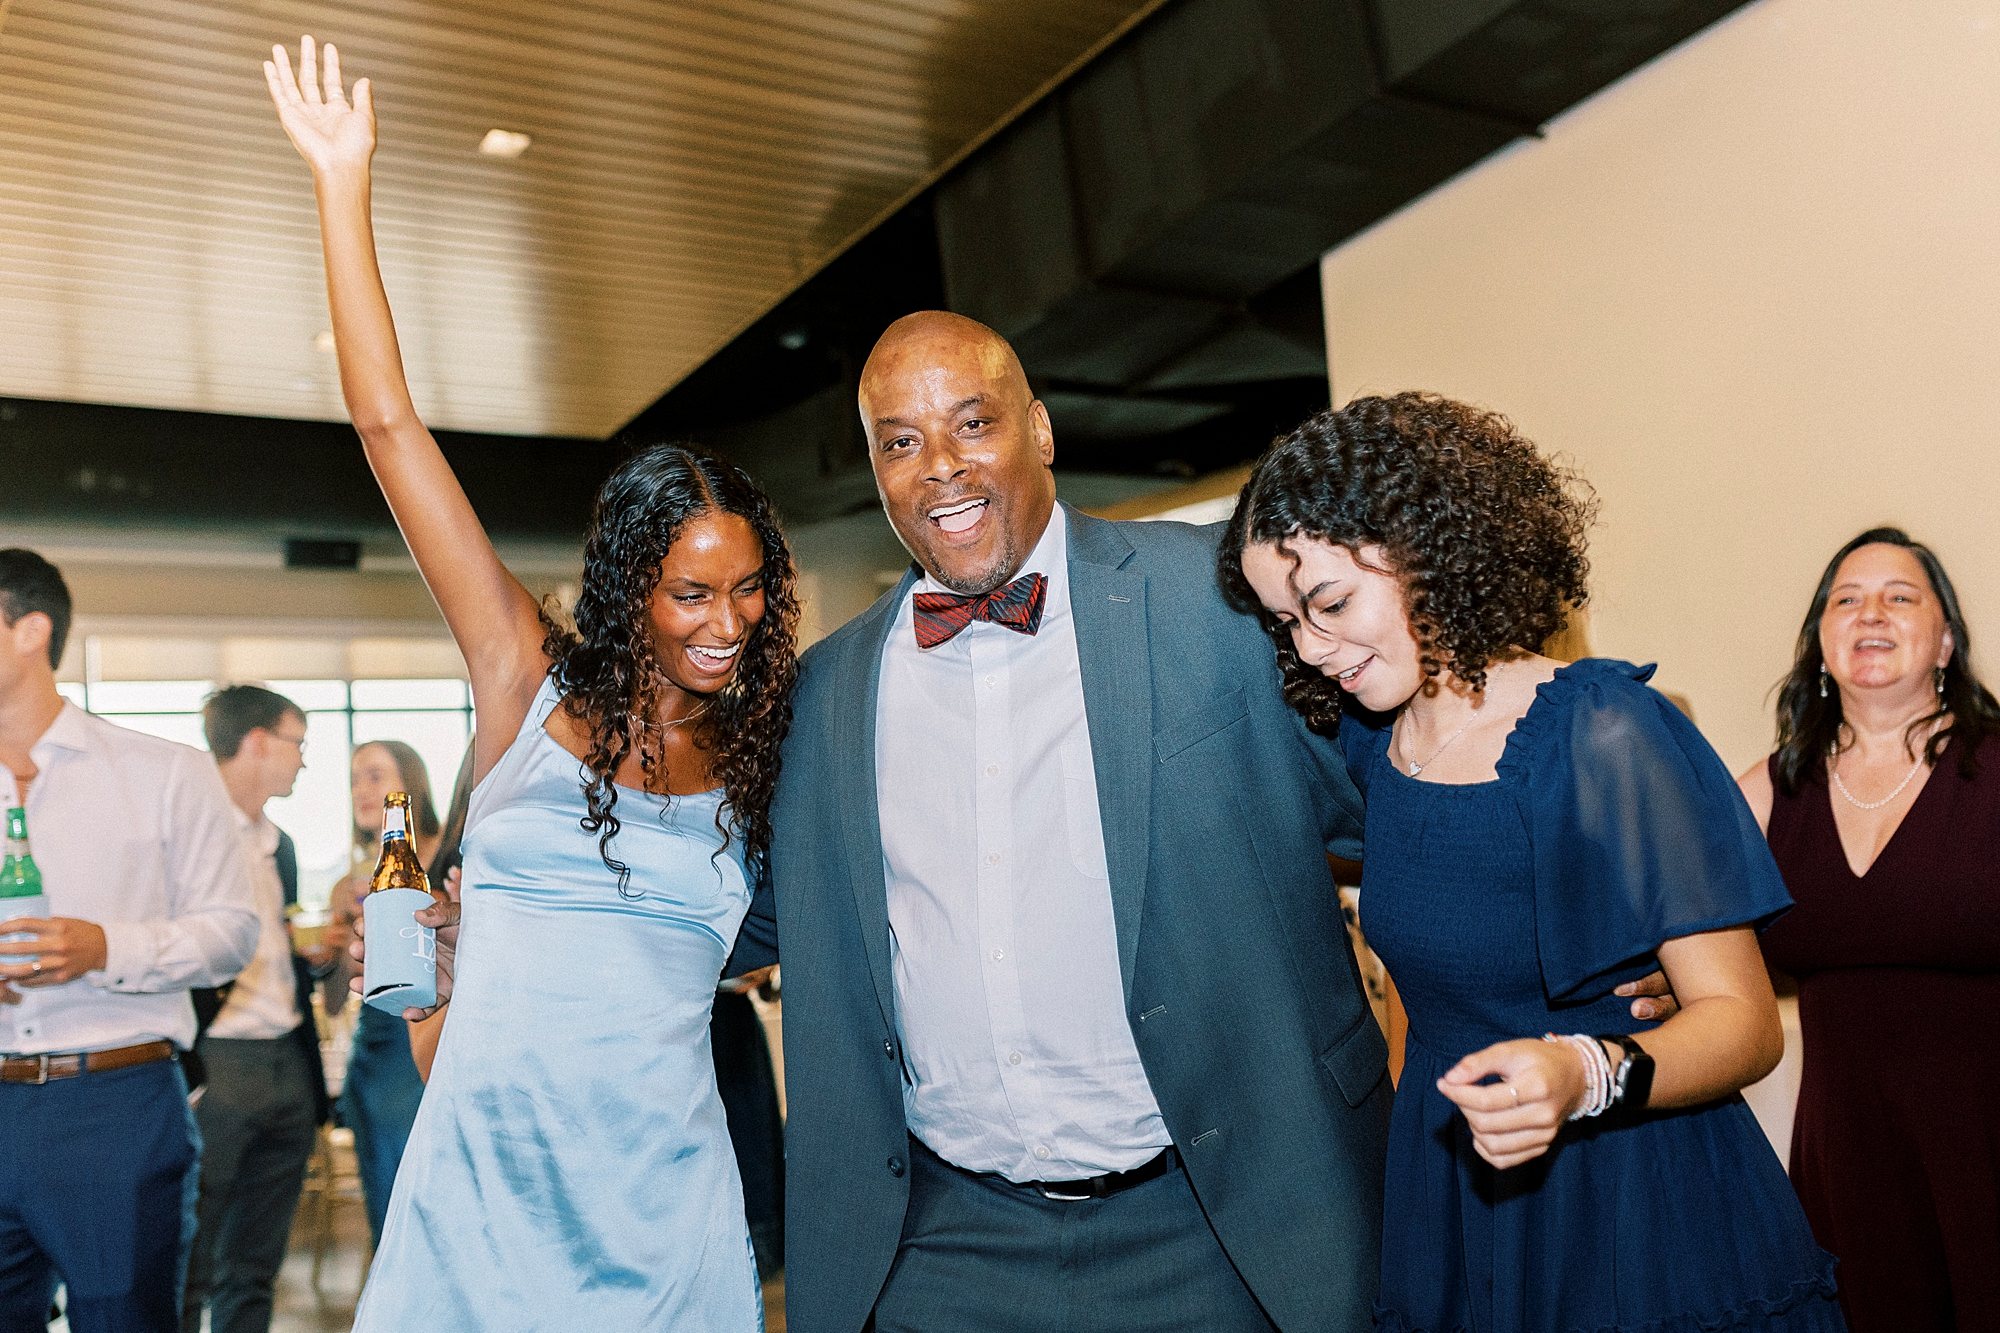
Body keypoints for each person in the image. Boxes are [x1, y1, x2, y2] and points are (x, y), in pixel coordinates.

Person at [263, 37, 799, 1329]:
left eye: (748, 591)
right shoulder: (524, 675)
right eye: (688, 591)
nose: (724, 623)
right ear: (626, 586)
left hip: (667, 1205)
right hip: (485, 1193)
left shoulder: (769, 745)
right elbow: (389, 424)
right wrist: (343, 181)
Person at [1222, 394, 1846, 1333]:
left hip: (1631, 1203)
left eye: (1332, 603)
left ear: (1422, 547)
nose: (1311, 646)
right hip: (1455, 1201)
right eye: (1288, 623)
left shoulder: (1602, 731)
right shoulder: (1368, 744)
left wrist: (1582, 1071)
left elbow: (1747, 1026)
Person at [1739, 528, 2000, 1332]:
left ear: (1946, 639)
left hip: (1988, 1148)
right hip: (1845, 1162)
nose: (1871, 612)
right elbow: (1679, 940)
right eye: (1845, 599)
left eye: (1900, 595)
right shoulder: (1762, 791)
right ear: (1821, 639)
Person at [0, 549, 259, 1333]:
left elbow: (232, 931)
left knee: (125, 1322)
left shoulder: (163, 771)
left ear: (31, 630)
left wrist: (106, 947)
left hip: (113, 1104)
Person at [183, 686, 332, 1333]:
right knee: (189, 1257)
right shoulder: (183, 829)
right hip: (217, 1063)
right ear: (258, 741)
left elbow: (278, 950)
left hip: (288, 1063)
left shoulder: (283, 845)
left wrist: (315, 957)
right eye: (297, 741)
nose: (303, 760)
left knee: (257, 1262)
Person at [322, 740, 439, 1245]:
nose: (360, 790)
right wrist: (336, 947)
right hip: (368, 1052)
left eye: (375, 776)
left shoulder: (442, 855)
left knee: (420, 1204)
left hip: (418, 1043)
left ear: (408, 787)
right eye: (354, 778)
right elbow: (336, 996)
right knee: (380, 1208)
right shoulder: (348, 881)